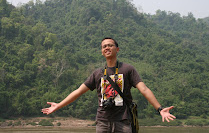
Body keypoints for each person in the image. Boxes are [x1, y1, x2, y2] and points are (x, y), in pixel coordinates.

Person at [42, 37, 176, 133]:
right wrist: (58, 105)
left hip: (123, 121)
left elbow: (144, 89)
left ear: (117, 49)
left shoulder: (128, 69)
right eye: (104, 46)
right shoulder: (97, 73)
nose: (107, 48)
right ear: (102, 52)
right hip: (102, 121)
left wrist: (160, 109)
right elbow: (78, 92)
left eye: (110, 45)